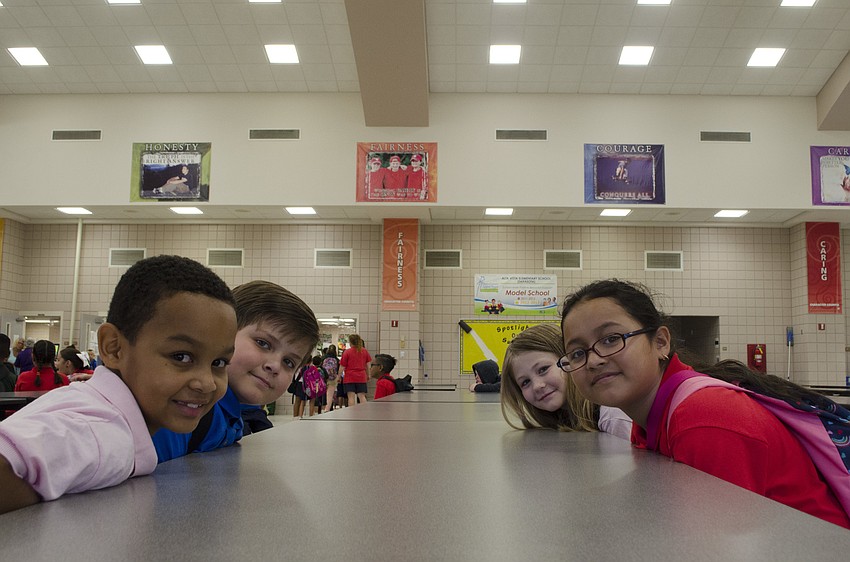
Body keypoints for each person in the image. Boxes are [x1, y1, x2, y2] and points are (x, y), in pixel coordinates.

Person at [559, 278, 850, 529]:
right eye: (577, 353)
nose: (594, 360)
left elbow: (719, 546)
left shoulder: (703, 417)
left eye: (611, 339)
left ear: (660, 342)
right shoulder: (651, 416)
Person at [0, 254, 238, 514]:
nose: (207, 384)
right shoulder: (105, 431)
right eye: (181, 356)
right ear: (113, 348)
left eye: (219, 363)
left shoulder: (97, 408)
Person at [153, 280, 319, 461]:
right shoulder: (183, 411)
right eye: (263, 343)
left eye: (289, 362)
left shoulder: (236, 417)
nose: (275, 366)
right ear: (223, 333)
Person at [500, 323, 631, 439]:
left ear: (570, 361)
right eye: (525, 382)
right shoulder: (563, 419)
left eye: (543, 369)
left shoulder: (612, 415)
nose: (537, 386)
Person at [340, 334, 371, 406]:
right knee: (362, 396)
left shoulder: (347, 352)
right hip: (361, 376)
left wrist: (338, 376)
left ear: (350, 342)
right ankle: (364, 412)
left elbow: (342, 366)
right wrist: (368, 374)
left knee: (351, 397)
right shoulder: (364, 351)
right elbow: (368, 365)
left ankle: (352, 414)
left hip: (349, 377)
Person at [322, 345, 340, 411]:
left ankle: (322, 409)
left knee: (323, 394)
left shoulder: (323, 358)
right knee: (330, 395)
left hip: (324, 378)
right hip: (332, 379)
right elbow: (338, 370)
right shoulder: (336, 359)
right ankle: (327, 409)